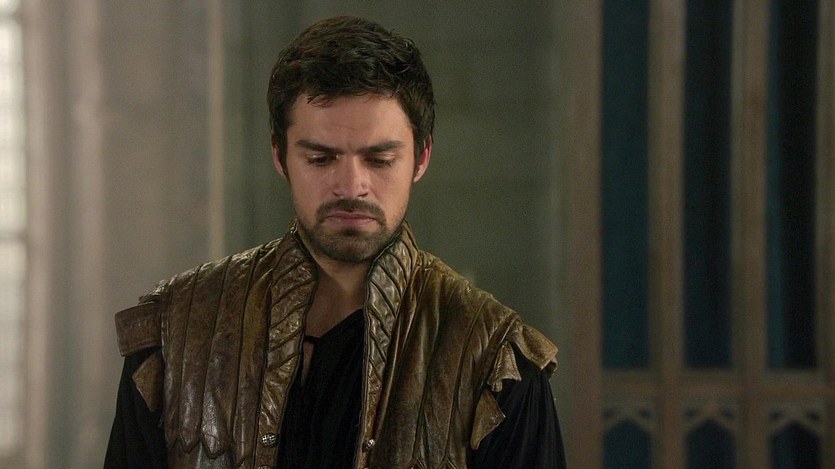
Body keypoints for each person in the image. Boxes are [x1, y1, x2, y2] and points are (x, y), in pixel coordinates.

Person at [105, 15, 565, 469]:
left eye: (379, 159)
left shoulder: (494, 363)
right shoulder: (175, 334)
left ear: (421, 157)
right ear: (280, 155)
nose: (351, 186)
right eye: (321, 159)